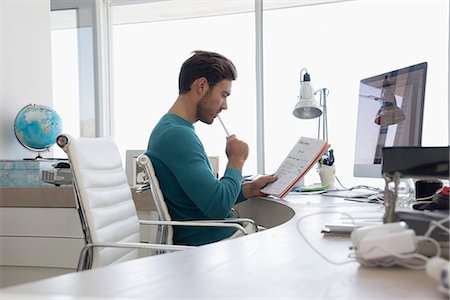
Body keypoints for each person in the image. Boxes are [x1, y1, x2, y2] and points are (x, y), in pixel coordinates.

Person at [145, 50, 277, 246]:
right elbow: (217, 206)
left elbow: (205, 197)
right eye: (223, 95)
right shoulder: (177, 135)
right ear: (202, 86)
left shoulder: (172, 130)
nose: (225, 106)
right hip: (211, 246)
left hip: (214, 240)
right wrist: (236, 160)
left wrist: (248, 190)